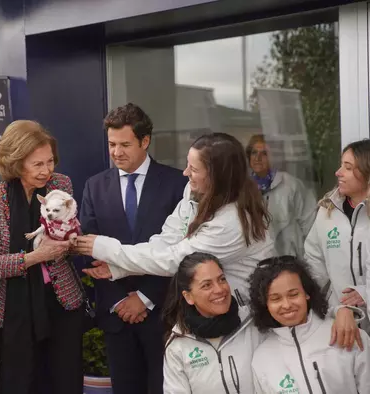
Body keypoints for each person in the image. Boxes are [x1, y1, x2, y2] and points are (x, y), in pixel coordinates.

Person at [77, 132, 275, 302]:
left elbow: (176, 260)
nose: (185, 172)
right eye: (187, 165)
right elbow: (167, 240)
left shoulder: (232, 222)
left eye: (194, 169)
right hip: (209, 306)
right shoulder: (195, 190)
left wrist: (106, 248)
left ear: (217, 177)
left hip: (240, 311)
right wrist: (119, 268)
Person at [80, 103, 187, 394]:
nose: (117, 152)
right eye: (112, 144)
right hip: (116, 316)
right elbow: (89, 249)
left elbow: (180, 251)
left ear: (145, 141)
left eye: (125, 144)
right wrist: (119, 301)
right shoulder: (94, 186)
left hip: (163, 312)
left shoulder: (178, 184)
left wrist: (144, 298)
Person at [0, 120, 83, 394]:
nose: (47, 171)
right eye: (37, 164)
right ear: (16, 162)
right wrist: (33, 257)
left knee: (66, 382)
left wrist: (70, 244)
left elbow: (70, 233)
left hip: (61, 305)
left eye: (50, 162)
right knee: (21, 384)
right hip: (15, 313)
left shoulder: (61, 185)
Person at [163, 252, 362, 394]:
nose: (219, 289)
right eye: (207, 285)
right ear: (188, 296)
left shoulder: (251, 319)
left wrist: (343, 311)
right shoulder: (179, 344)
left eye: (222, 279)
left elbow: (298, 315)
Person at [249, 256, 370, 393]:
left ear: (307, 293)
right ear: (265, 304)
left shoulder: (347, 333)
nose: (287, 305)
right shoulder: (262, 359)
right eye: (275, 299)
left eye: (293, 294)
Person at [305, 139, 370, 310]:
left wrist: (365, 293)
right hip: (340, 315)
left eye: (348, 168)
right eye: (341, 165)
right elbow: (314, 261)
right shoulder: (327, 211)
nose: (338, 173)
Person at [246, 134, 316, 257]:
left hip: (291, 258)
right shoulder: (244, 188)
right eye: (254, 153)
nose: (257, 158)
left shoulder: (291, 185)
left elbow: (310, 224)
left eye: (264, 154)